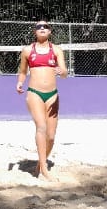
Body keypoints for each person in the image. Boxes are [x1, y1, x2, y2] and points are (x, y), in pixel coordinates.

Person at [16, 19, 68, 180]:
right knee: (41, 127)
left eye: (45, 26)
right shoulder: (27, 50)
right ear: (35, 32)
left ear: (50, 31)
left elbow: (65, 73)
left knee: (51, 136)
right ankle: (44, 169)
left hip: (52, 94)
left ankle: (40, 163)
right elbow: (23, 71)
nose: (42, 28)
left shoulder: (57, 50)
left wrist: (62, 72)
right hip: (34, 93)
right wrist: (19, 83)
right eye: (39, 27)